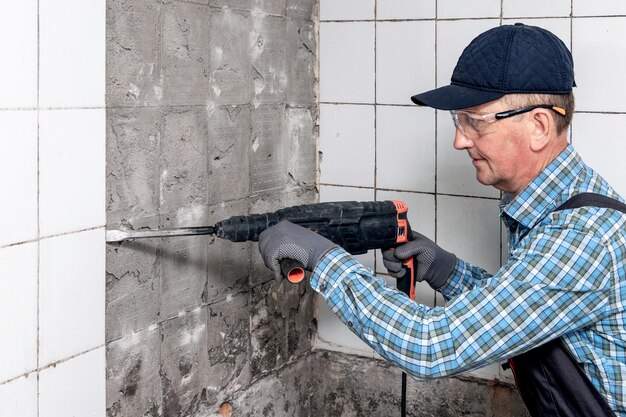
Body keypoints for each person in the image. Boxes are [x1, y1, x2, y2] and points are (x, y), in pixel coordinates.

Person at [258, 23, 626, 417]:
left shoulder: (582, 236)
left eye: (475, 121)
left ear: (537, 126)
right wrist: (447, 271)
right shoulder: (558, 207)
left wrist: (323, 259)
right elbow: (529, 306)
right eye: (458, 121)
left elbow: (432, 345)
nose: (460, 140)